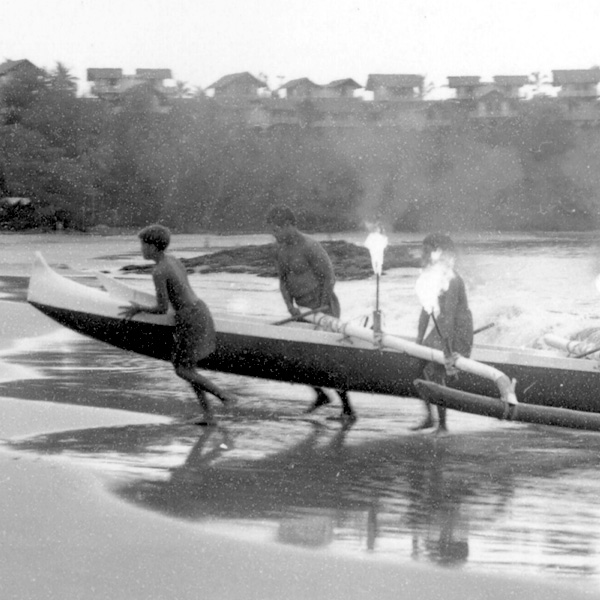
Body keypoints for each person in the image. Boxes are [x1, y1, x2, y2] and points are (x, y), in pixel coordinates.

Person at [120, 224, 236, 426]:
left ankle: (224, 396)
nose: (141, 249)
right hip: (199, 310)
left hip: (189, 319)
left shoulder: (158, 271)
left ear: (153, 247)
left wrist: (139, 308)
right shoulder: (173, 260)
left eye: (143, 245)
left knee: (182, 369)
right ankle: (208, 415)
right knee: (189, 368)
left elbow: (162, 308)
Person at [266, 205, 355, 421]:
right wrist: (290, 307)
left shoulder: (309, 246)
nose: (274, 235)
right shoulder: (279, 249)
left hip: (323, 307)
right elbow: (283, 280)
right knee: (298, 355)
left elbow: (329, 277)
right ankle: (321, 395)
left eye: (277, 230)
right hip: (302, 310)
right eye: (272, 231)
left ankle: (348, 409)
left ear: (289, 225)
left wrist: (321, 306)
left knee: (327, 359)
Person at [413, 233, 473, 433]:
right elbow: (425, 309)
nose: (423, 254)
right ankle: (430, 418)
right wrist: (419, 340)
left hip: (457, 330)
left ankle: (443, 425)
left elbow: (449, 315)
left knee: (435, 371)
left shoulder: (451, 278)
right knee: (420, 364)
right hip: (442, 326)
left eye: (426, 250)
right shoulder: (431, 274)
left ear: (438, 252)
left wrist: (446, 349)